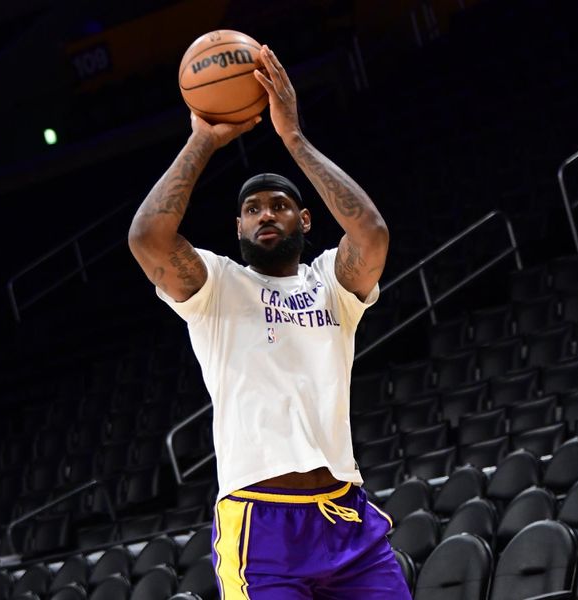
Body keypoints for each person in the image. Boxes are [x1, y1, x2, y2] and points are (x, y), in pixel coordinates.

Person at [128, 44, 410, 599]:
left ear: (304, 219)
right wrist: (203, 140)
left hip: (345, 516)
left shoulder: (331, 280)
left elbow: (372, 233)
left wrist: (294, 138)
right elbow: (147, 239)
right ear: (237, 228)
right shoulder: (216, 286)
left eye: (278, 205)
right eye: (253, 208)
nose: (266, 214)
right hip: (262, 528)